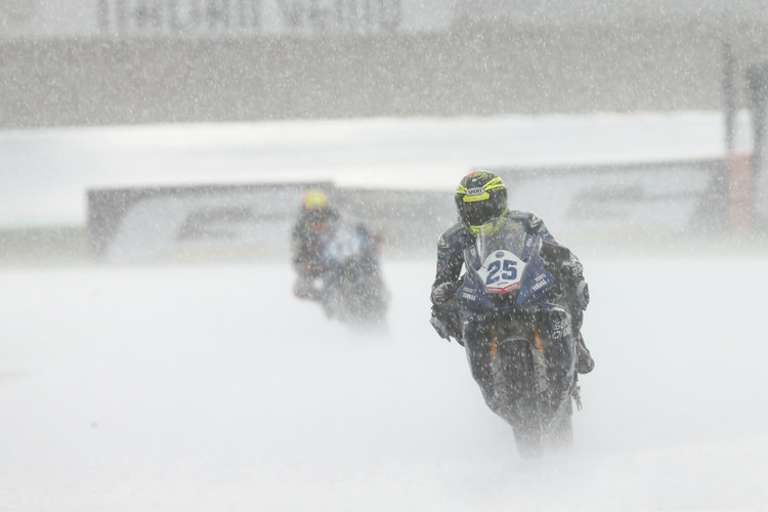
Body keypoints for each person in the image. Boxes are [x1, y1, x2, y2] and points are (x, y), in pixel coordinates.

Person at [430, 170, 595, 374]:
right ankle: (483, 363)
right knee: (445, 313)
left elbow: (558, 252)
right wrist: (442, 297)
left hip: (528, 283)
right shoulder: (451, 239)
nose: (478, 215)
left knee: (565, 287)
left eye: (484, 208)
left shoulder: (527, 222)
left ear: (499, 202)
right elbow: (442, 280)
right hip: (482, 295)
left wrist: (571, 270)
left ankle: (574, 341)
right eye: (470, 208)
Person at [291, 189, 340, 299]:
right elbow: (297, 252)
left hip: (338, 259)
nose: (317, 219)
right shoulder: (301, 230)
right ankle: (326, 299)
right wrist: (306, 264)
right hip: (318, 263)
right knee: (301, 288)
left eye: (320, 212)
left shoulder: (336, 222)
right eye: (313, 213)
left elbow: (350, 232)